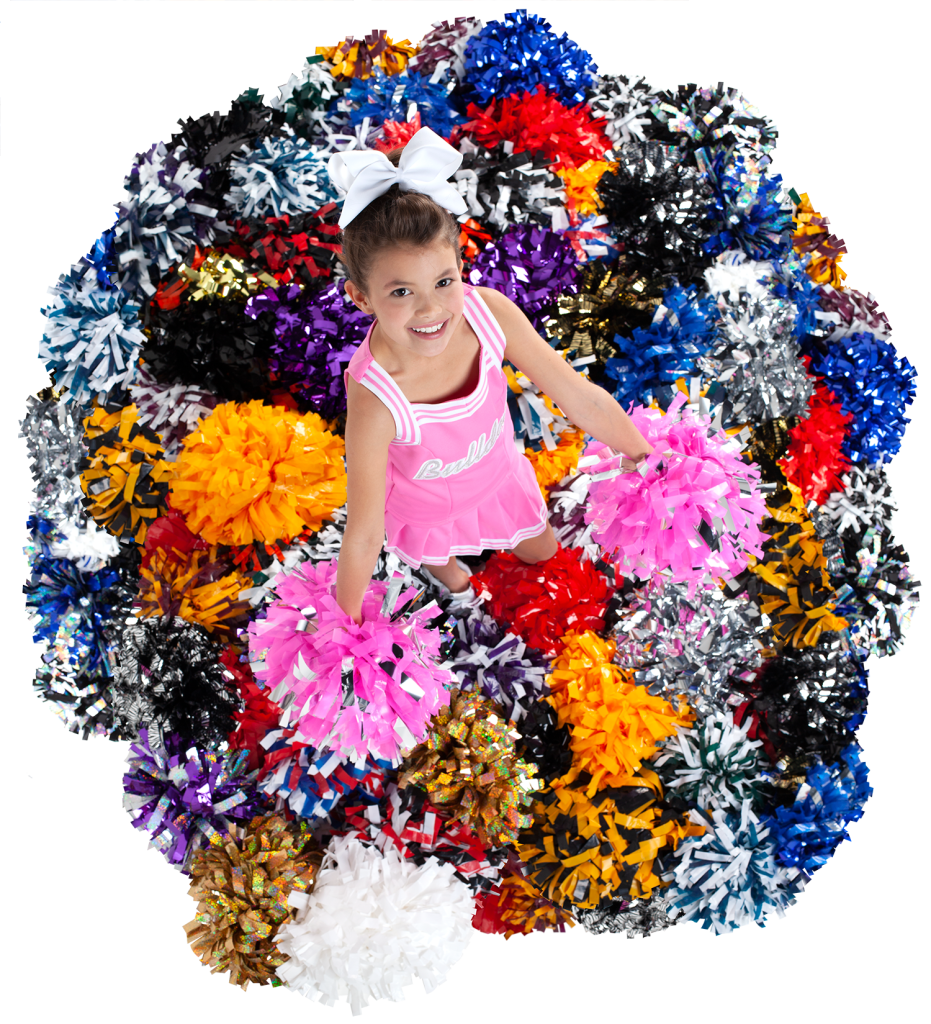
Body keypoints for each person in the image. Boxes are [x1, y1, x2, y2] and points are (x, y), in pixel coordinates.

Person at [330, 127, 655, 626]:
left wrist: (646, 458)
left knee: (544, 556)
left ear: (462, 266)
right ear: (361, 298)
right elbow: (365, 528)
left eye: (444, 281)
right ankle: (459, 586)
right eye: (401, 293)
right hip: (423, 509)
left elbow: (578, 396)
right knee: (448, 570)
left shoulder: (489, 316)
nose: (431, 308)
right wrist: (342, 631)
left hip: (498, 480)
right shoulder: (377, 394)